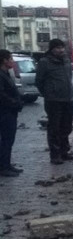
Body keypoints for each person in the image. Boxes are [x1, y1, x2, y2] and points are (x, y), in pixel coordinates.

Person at [35, 39, 73, 165]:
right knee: (54, 128)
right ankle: (55, 155)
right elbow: (39, 81)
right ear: (52, 49)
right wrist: (48, 93)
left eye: (62, 47)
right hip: (54, 100)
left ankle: (64, 152)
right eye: (58, 48)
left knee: (67, 126)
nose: (61, 50)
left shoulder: (66, 61)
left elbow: (69, 77)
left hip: (68, 98)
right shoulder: (45, 62)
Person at [0, 49, 24, 177]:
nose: (12, 62)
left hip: (10, 111)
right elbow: (2, 94)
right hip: (5, 112)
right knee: (6, 139)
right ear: (4, 60)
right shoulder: (1, 74)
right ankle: (3, 167)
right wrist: (14, 102)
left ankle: (7, 164)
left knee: (9, 139)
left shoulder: (6, 73)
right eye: (10, 59)